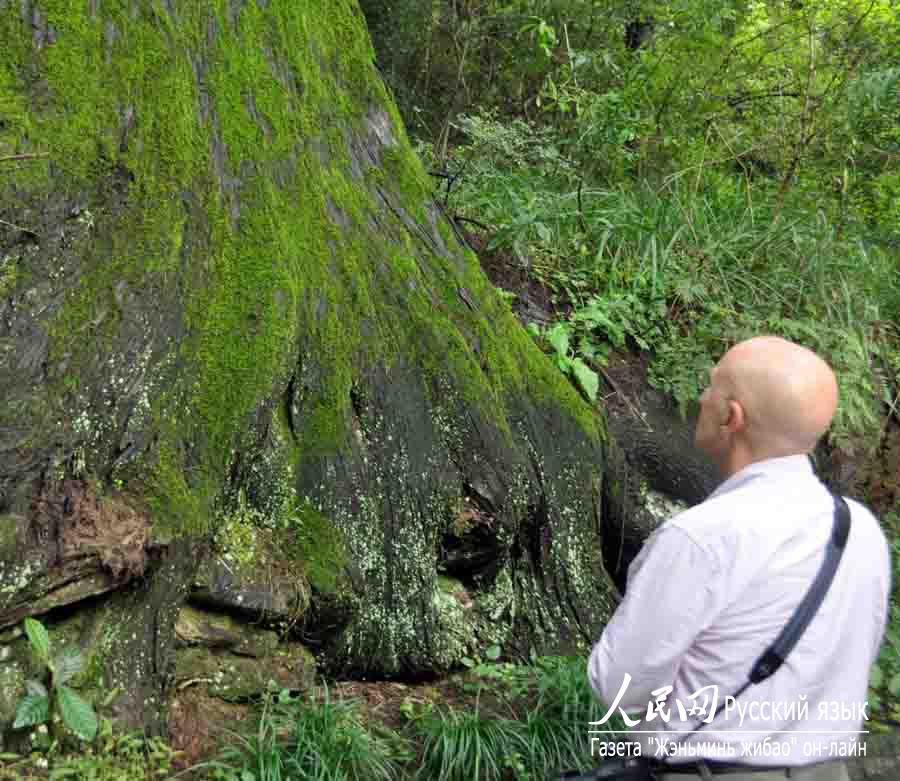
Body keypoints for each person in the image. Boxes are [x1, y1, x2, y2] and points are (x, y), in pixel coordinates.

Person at [587, 336, 891, 780]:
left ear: (732, 417)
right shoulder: (860, 529)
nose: (701, 398)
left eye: (711, 387)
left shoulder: (701, 538)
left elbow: (617, 684)